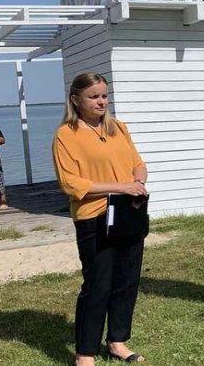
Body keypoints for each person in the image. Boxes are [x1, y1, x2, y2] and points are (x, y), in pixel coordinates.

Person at [53, 73, 148, 366]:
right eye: (93, 96)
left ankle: (117, 341)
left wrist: (138, 183)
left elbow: (138, 164)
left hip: (128, 212)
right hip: (93, 217)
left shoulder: (118, 127)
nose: (101, 102)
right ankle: (85, 353)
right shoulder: (66, 135)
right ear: (75, 100)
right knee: (97, 284)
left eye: (104, 96)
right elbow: (71, 184)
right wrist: (122, 187)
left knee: (127, 280)